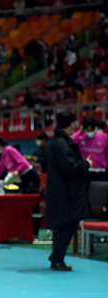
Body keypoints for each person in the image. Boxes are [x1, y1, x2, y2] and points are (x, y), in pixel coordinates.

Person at [46, 111, 92, 271]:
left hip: (62, 190)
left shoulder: (58, 142)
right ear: (70, 124)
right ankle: (58, 258)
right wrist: (85, 164)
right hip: (66, 192)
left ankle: (57, 254)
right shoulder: (62, 143)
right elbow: (69, 166)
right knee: (68, 224)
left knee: (64, 224)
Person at [71, 116, 108, 184]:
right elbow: (70, 140)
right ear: (84, 129)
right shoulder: (80, 139)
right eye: (87, 130)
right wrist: (80, 131)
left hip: (102, 172)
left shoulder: (104, 137)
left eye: (91, 130)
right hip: (87, 172)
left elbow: (107, 153)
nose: (89, 132)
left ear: (95, 128)